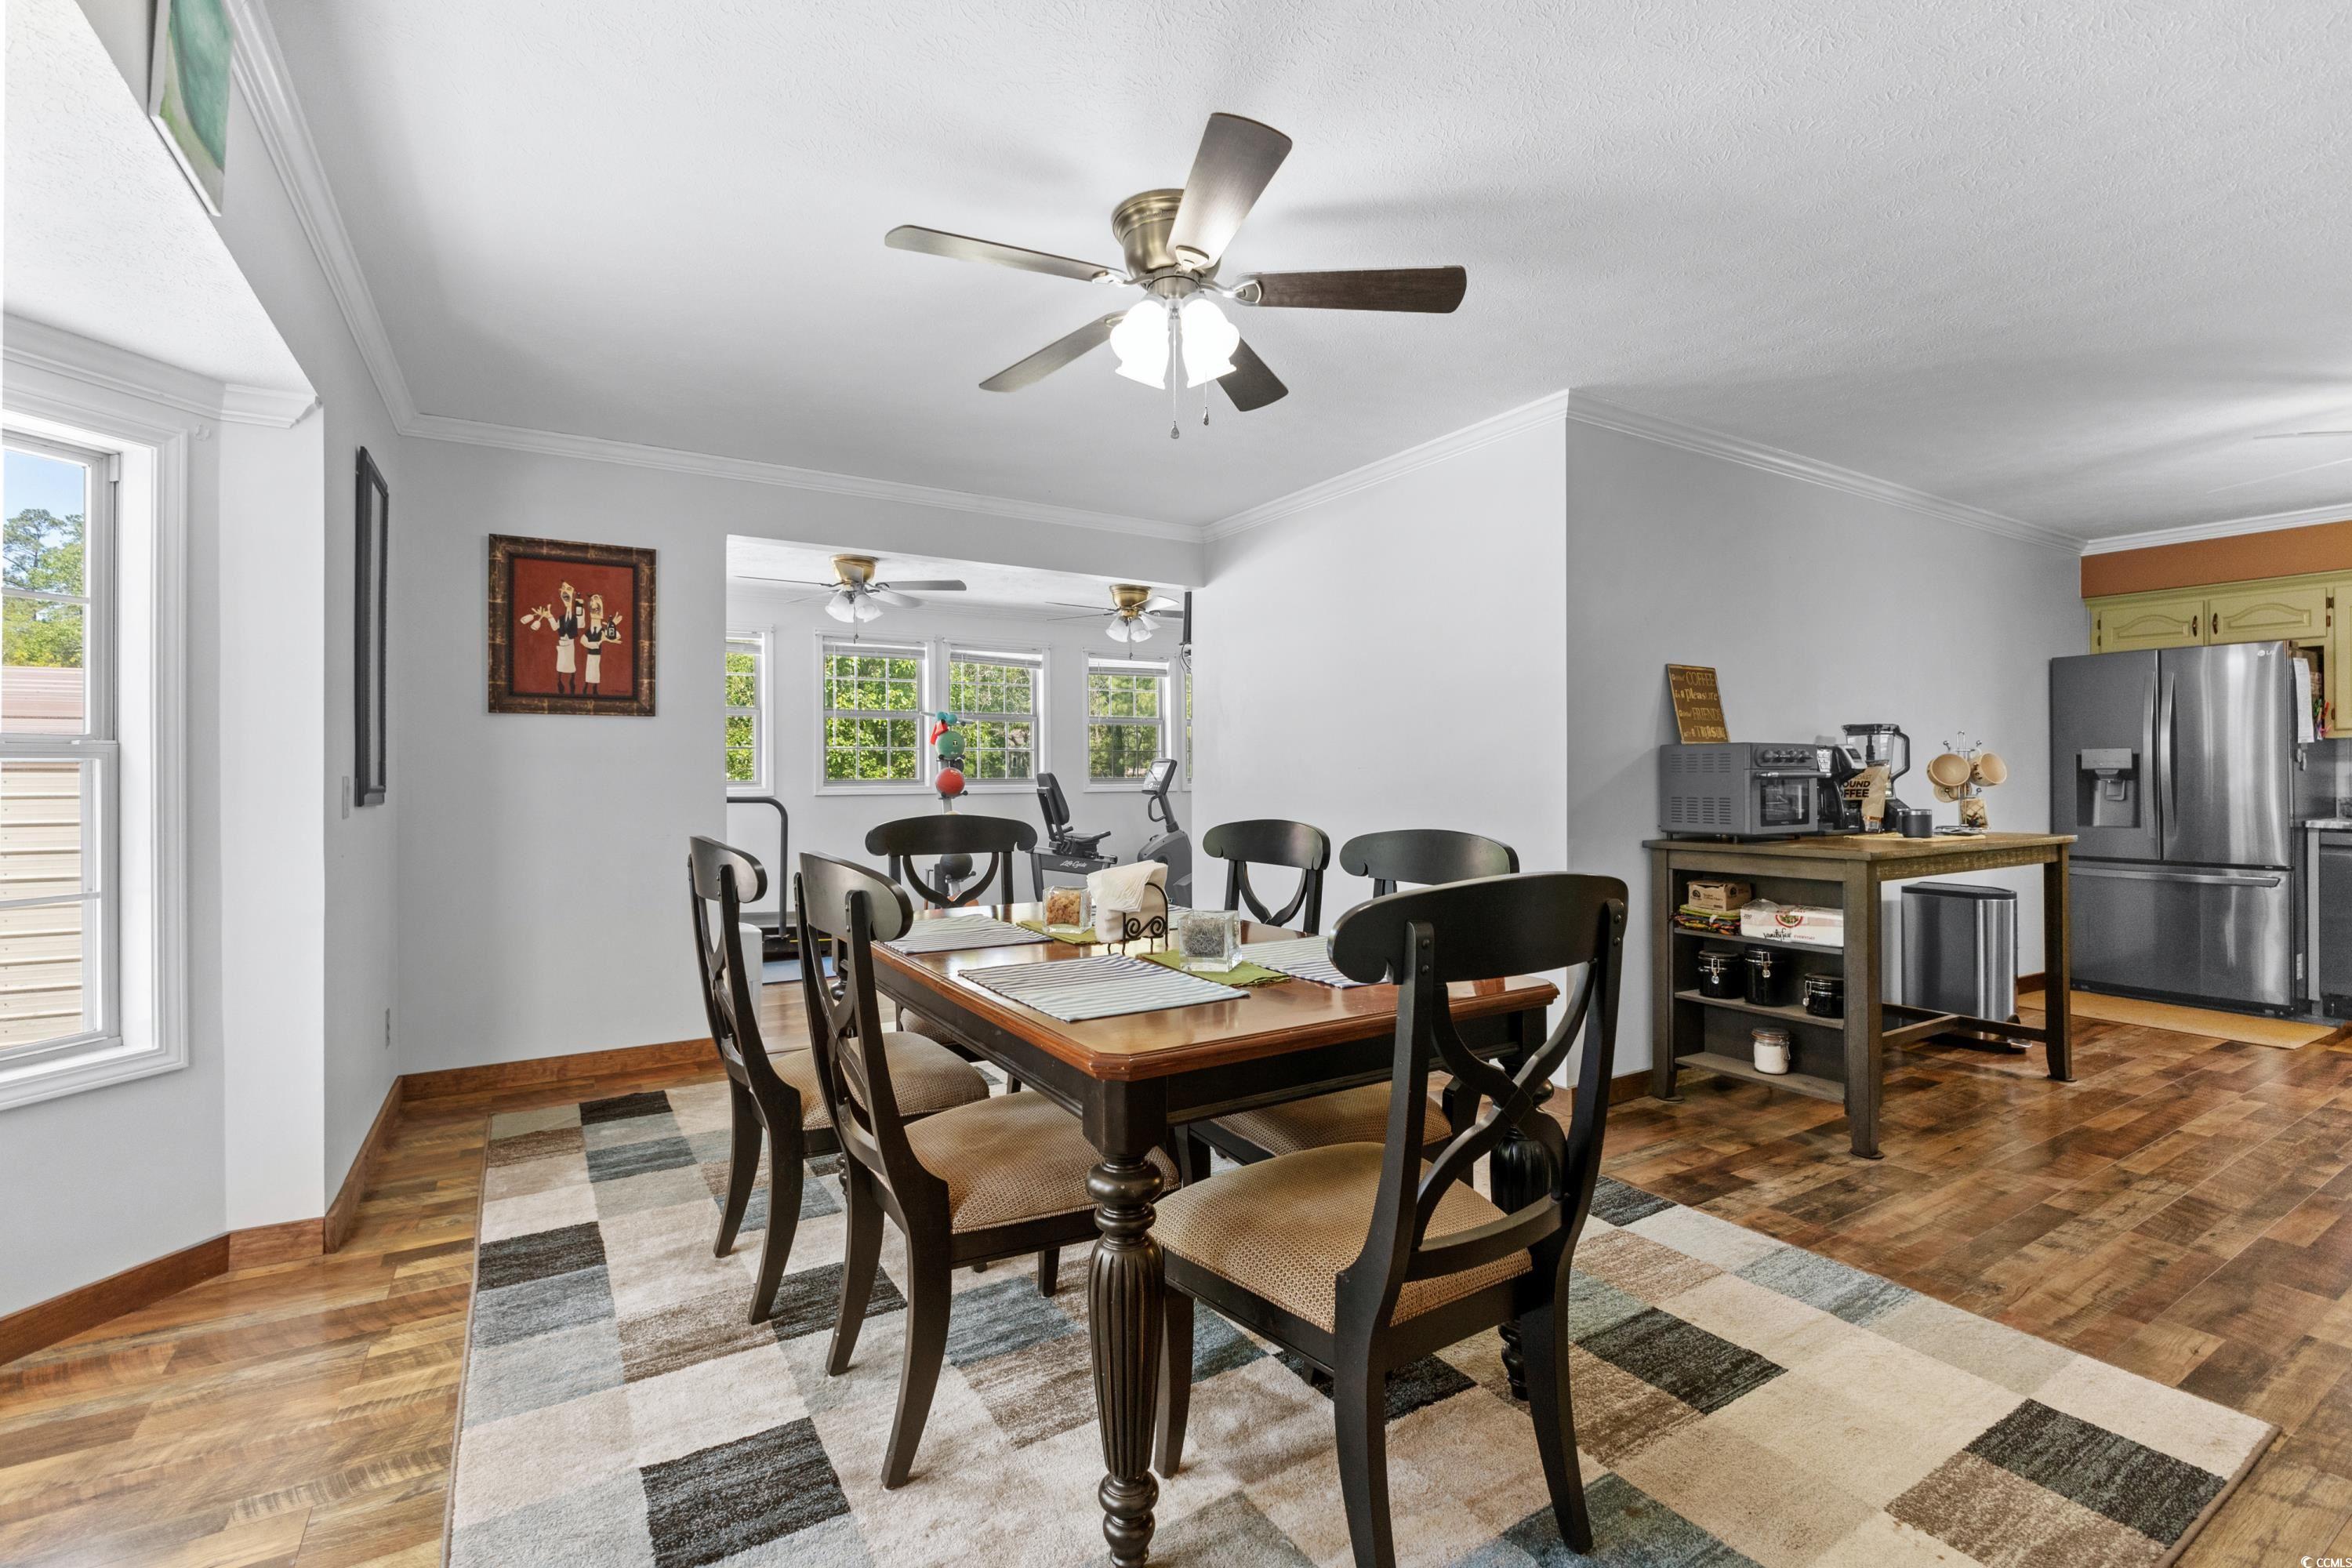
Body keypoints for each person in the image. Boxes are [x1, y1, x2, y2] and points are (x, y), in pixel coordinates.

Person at [579, 592, 624, 697]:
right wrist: (601, 641)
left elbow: (617, 636)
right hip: (590, 656)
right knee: (589, 671)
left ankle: (594, 689)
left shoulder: (604, 630)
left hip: (598, 657)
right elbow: (584, 642)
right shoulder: (588, 632)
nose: (594, 605)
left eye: (597, 603)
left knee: (595, 672)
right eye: (592, 603)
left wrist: (611, 626)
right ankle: (586, 687)